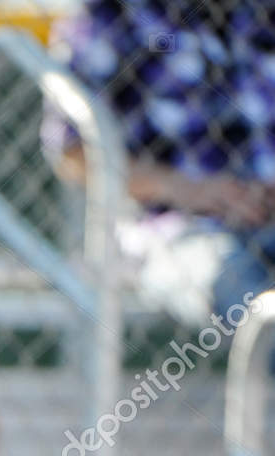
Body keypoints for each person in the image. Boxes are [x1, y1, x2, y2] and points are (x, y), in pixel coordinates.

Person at [45, 1, 275, 330]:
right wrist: (185, 189)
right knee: (248, 296)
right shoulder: (113, 15)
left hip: (266, 213)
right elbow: (72, 153)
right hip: (171, 226)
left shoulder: (258, 12)